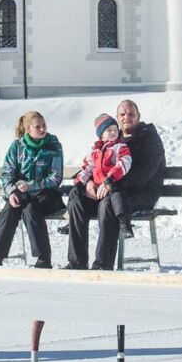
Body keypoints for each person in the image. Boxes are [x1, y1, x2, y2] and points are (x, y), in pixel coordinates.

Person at [0, 110, 64, 268]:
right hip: (22, 194)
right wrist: (11, 192)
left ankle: (44, 258)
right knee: (10, 208)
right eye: (38, 127)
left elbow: (55, 178)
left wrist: (31, 185)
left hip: (47, 195)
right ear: (28, 129)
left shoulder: (54, 145)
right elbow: (7, 174)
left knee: (31, 210)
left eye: (44, 125)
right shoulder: (17, 147)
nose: (43, 129)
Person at [64, 114, 134, 271]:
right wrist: (86, 182)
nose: (113, 132)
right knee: (75, 199)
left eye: (115, 129)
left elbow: (124, 164)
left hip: (109, 193)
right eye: (109, 130)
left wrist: (108, 181)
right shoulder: (94, 151)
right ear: (101, 135)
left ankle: (102, 264)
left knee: (106, 207)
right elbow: (86, 168)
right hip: (93, 193)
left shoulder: (120, 147)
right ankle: (77, 262)